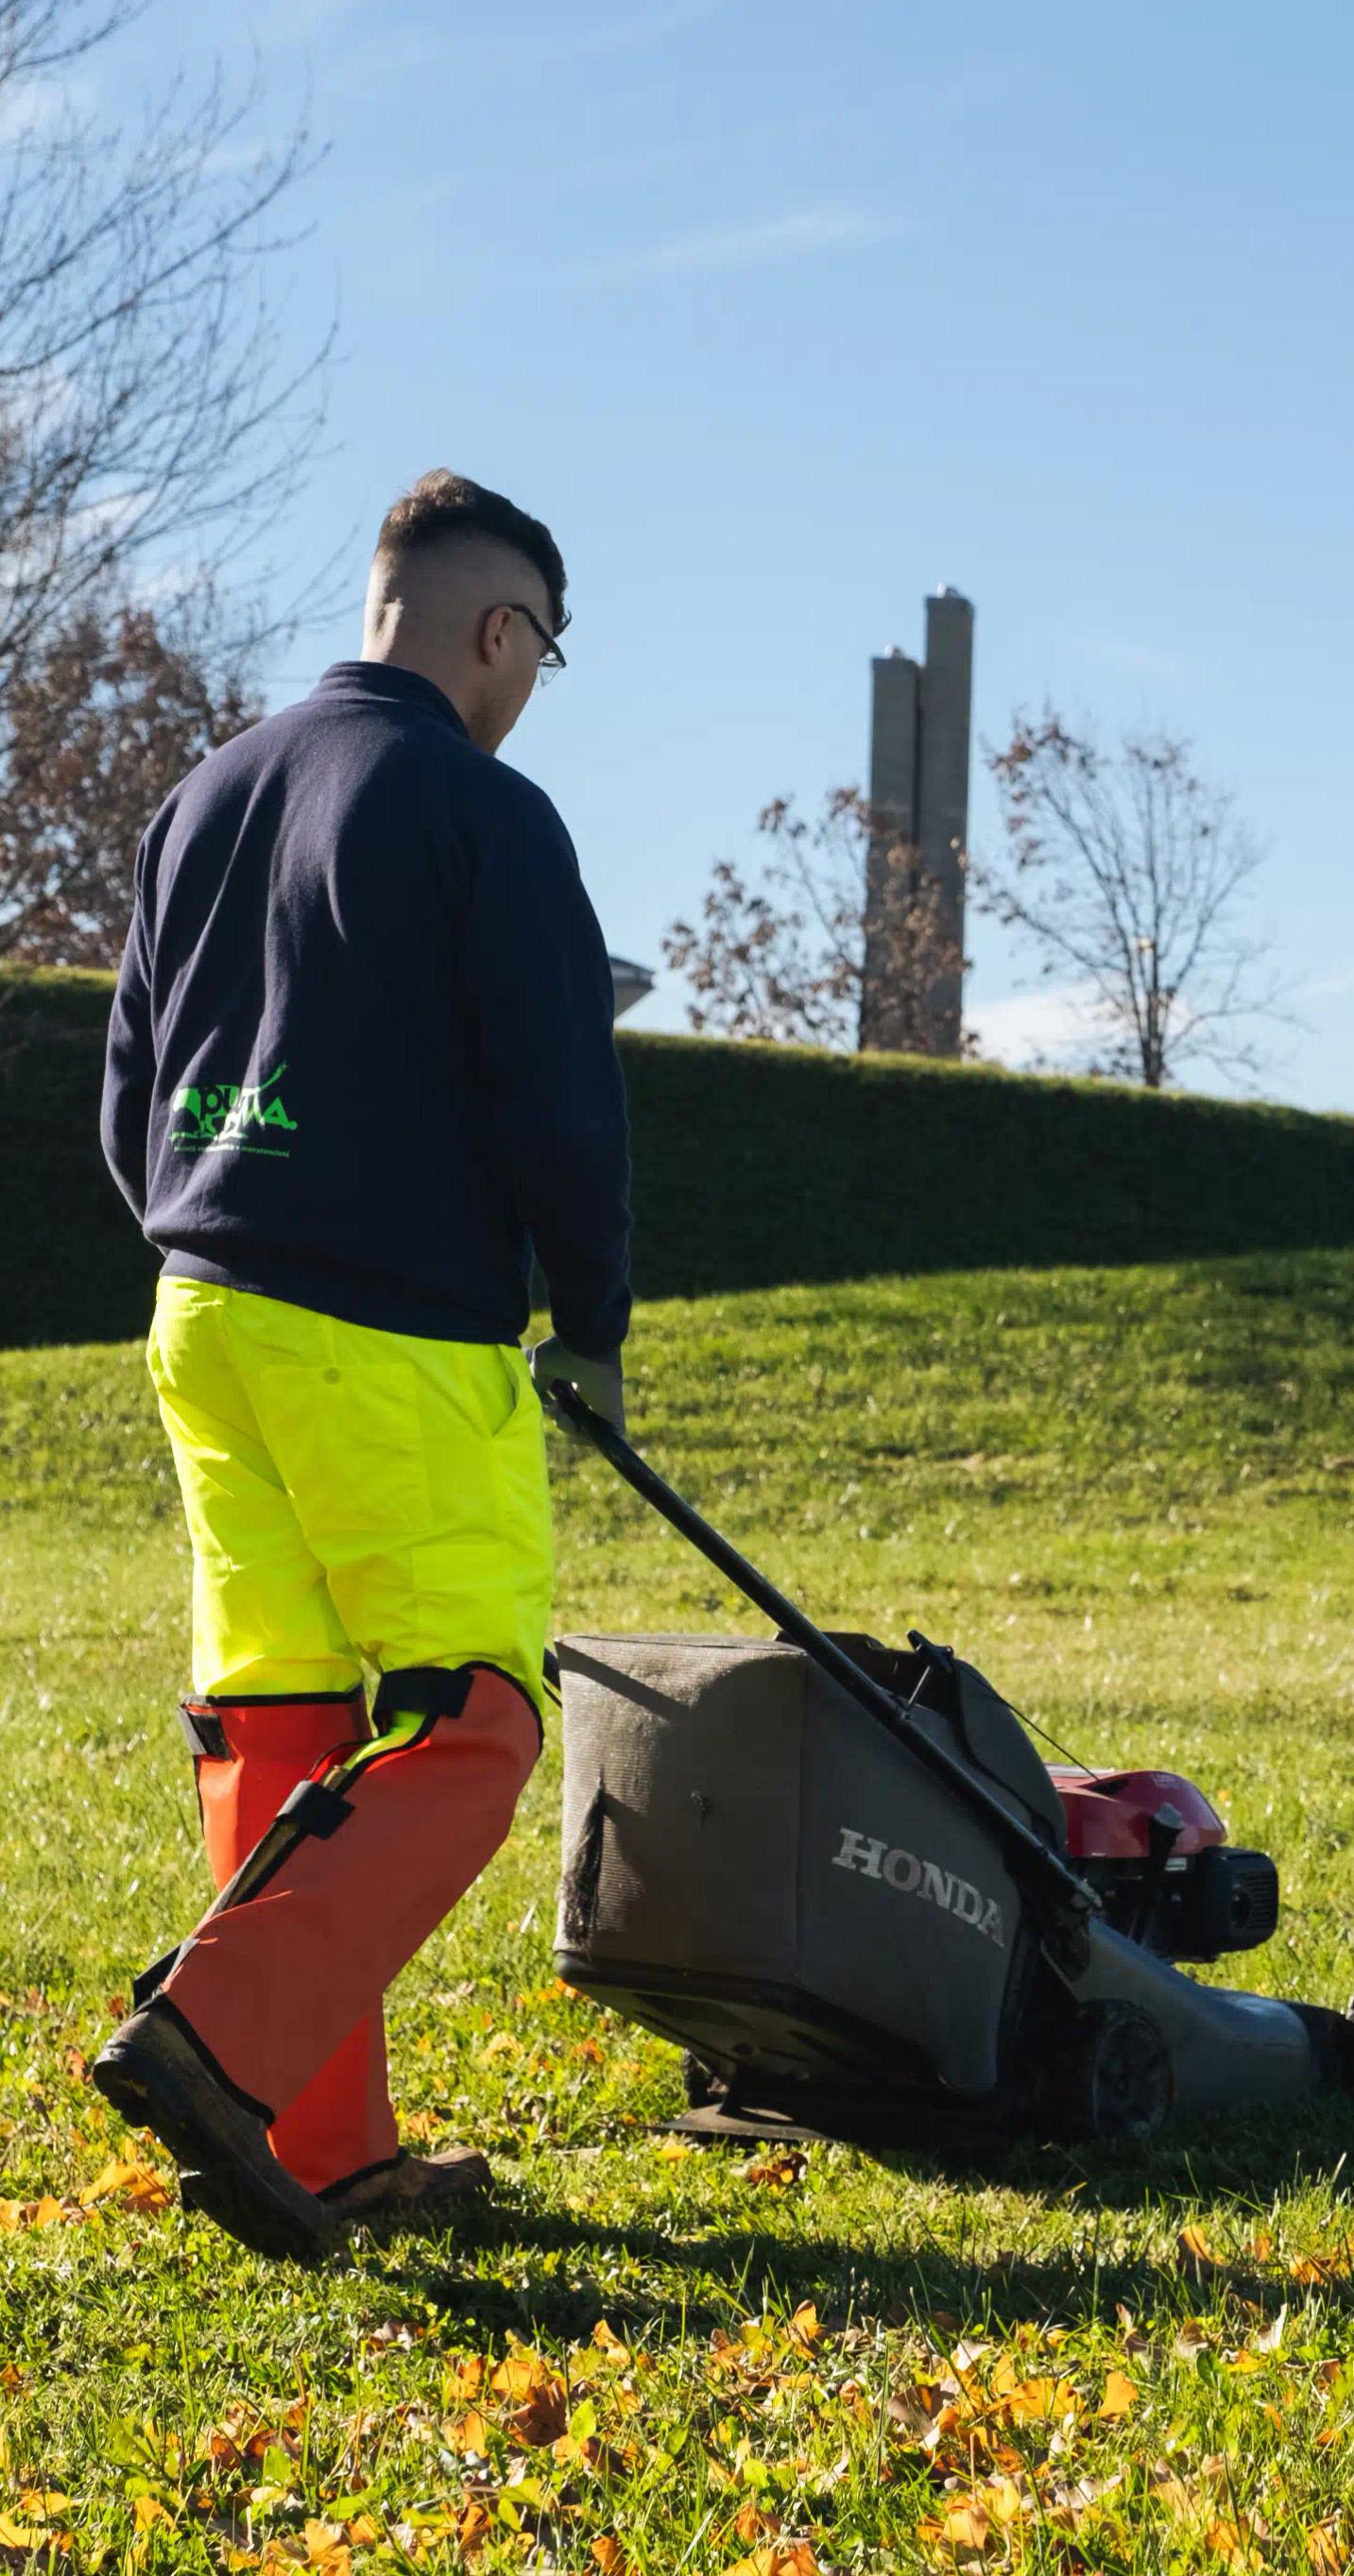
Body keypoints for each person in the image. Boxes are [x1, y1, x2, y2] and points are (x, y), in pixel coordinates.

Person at [88, 469, 631, 2264]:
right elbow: (561, 1107)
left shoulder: (205, 794)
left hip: (203, 1310)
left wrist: (220, 1222)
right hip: (388, 1329)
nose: (534, 685)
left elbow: (127, 1089)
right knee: (473, 1716)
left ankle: (319, 2152)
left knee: (282, 1714)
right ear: (501, 630)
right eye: (545, 651)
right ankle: (217, 2040)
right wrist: (595, 1322)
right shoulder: (483, 811)